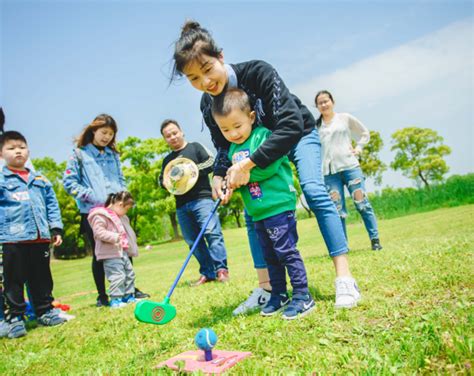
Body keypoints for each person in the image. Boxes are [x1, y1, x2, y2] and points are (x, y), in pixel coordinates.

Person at [171, 21, 360, 309]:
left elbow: (291, 124)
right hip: (250, 155)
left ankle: (344, 277)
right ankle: (266, 289)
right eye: (194, 79)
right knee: (252, 212)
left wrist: (247, 164)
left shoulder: (258, 72)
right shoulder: (207, 105)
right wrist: (219, 176)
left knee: (313, 190)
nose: (205, 83)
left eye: (207, 70)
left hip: (297, 136)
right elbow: (223, 146)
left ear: (220, 57)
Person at [212, 88, 315, 319]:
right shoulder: (233, 149)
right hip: (257, 211)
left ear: (250, 117)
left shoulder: (263, 136)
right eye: (225, 129)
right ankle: (279, 294)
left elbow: (270, 165)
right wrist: (228, 186)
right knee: (270, 256)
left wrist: (243, 177)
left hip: (278, 206)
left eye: (237, 126)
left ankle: (302, 295)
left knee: (286, 252)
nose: (233, 133)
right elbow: (233, 176)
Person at [63, 114, 149, 307]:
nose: (107, 137)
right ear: (94, 130)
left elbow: (121, 178)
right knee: (100, 254)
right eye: (103, 132)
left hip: (117, 212)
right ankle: (103, 296)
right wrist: (95, 197)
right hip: (93, 212)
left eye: (110, 134)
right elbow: (69, 183)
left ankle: (129, 290)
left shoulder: (113, 155)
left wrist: (123, 198)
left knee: (124, 249)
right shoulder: (79, 154)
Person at [0, 131, 66, 339]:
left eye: (21, 146)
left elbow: (52, 205)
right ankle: (16, 317)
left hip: (40, 238)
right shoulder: (2, 179)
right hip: (13, 239)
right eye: (11, 148)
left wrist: (55, 228)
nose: (17, 151)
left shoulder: (40, 179)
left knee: (41, 277)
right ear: (1, 154)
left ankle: (45, 311)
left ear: (28, 151)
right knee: (14, 280)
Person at [159, 119, 229, 285]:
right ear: (165, 139)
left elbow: (213, 162)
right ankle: (207, 272)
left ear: (181, 131)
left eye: (174, 133)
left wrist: (192, 170)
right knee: (192, 241)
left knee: (212, 234)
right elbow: (163, 180)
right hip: (181, 205)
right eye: (168, 136)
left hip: (202, 199)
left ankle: (221, 270)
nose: (172, 137)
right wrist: (163, 182)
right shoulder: (167, 160)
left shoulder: (196, 147)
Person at [315, 90, 382, 251]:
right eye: (320, 103)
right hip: (330, 174)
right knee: (337, 211)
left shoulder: (344, 118)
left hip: (350, 167)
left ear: (332, 102)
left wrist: (358, 148)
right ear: (317, 107)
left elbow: (364, 133)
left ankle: (375, 240)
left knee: (362, 204)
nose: (324, 105)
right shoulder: (316, 126)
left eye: (326, 101)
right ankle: (343, 246)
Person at [88, 192, 138, 309]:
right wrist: (115, 237)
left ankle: (128, 295)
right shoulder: (100, 215)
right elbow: (99, 232)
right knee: (117, 276)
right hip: (110, 253)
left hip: (122, 251)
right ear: (120, 204)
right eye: (126, 209)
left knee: (129, 273)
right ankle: (116, 299)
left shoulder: (119, 216)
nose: (126, 212)